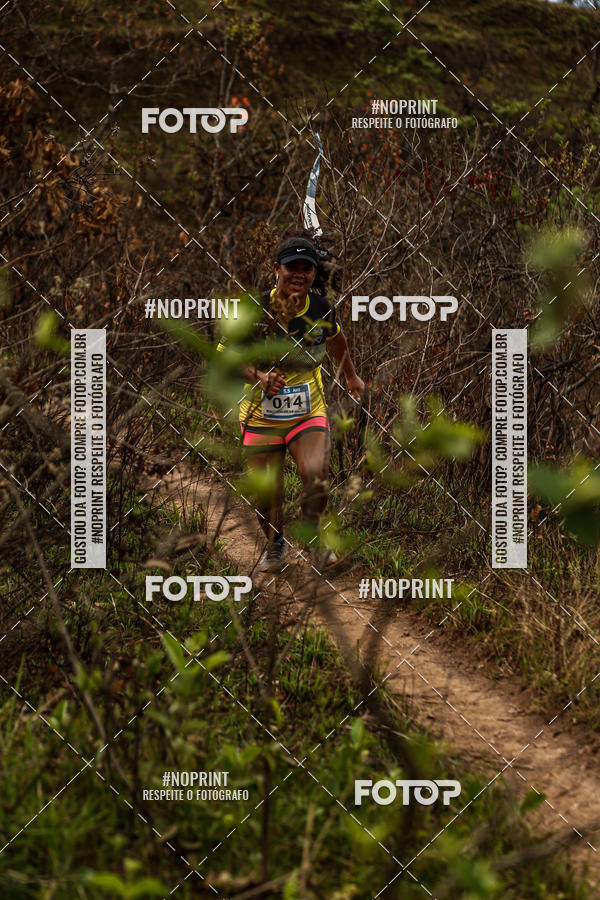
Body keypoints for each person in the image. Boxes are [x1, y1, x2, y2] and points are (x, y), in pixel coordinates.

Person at [220, 235, 364, 573]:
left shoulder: (320, 308)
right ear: (276, 269)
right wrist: (258, 376)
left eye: (306, 269)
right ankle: (275, 545)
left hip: (307, 411)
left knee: (315, 474)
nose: (299, 274)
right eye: (291, 267)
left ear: (313, 274)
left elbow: (337, 340)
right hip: (260, 415)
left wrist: (351, 376)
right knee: (268, 494)